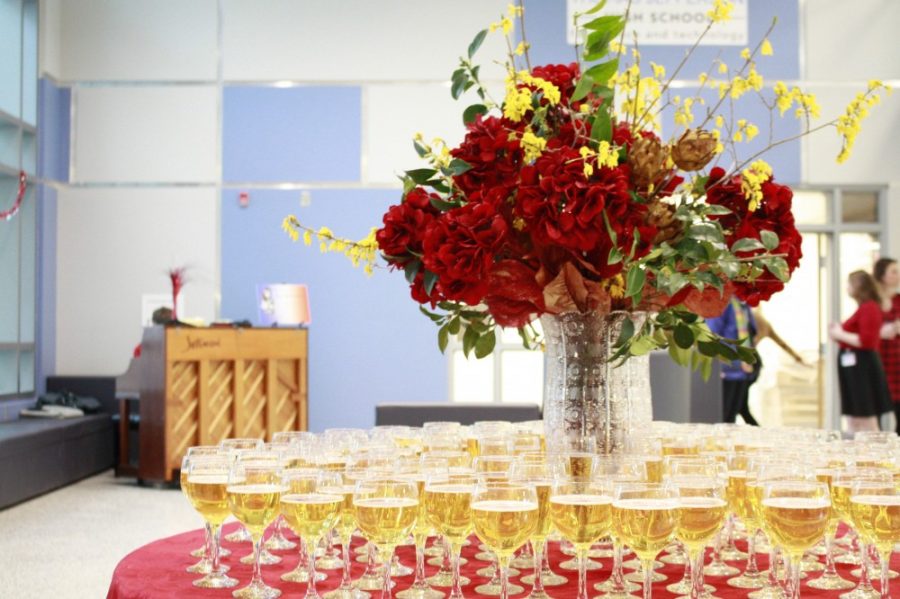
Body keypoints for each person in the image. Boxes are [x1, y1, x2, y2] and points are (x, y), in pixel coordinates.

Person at [829, 270, 892, 433]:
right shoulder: (864, 307)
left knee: (865, 416)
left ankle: (875, 456)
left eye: (849, 284)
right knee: (855, 417)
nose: (847, 288)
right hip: (854, 365)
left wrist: (839, 333)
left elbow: (867, 341)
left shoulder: (869, 307)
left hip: (861, 366)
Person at [706, 297, 759, 425]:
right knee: (723, 418)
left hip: (742, 370)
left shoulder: (743, 305)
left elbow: (750, 332)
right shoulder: (722, 303)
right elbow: (712, 335)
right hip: (726, 371)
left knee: (731, 418)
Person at [873, 257, 900, 434]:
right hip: (877, 362)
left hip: (897, 364)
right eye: (894, 271)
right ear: (882, 276)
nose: (898, 275)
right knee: (874, 417)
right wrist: (881, 330)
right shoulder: (872, 302)